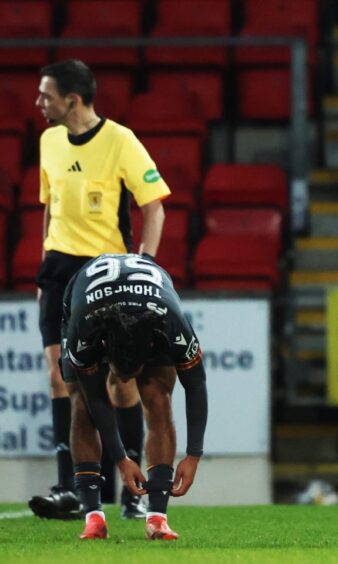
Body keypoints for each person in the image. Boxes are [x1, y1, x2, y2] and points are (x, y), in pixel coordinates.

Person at [28, 59, 170, 520]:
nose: (39, 103)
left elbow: (153, 208)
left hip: (105, 272)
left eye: (46, 95)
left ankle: (131, 492)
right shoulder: (49, 141)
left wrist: (142, 267)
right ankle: (71, 489)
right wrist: (43, 271)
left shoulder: (120, 140)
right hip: (57, 271)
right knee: (60, 377)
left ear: (72, 99)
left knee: (120, 383)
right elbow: (49, 209)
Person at [61, 253, 208, 540]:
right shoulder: (85, 327)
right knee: (81, 403)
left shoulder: (172, 325)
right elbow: (96, 399)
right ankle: (93, 517)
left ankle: (157, 518)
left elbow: (196, 386)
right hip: (87, 293)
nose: (126, 381)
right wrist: (120, 458)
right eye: (121, 372)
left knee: (158, 397)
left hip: (152, 307)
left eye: (133, 372)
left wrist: (193, 456)